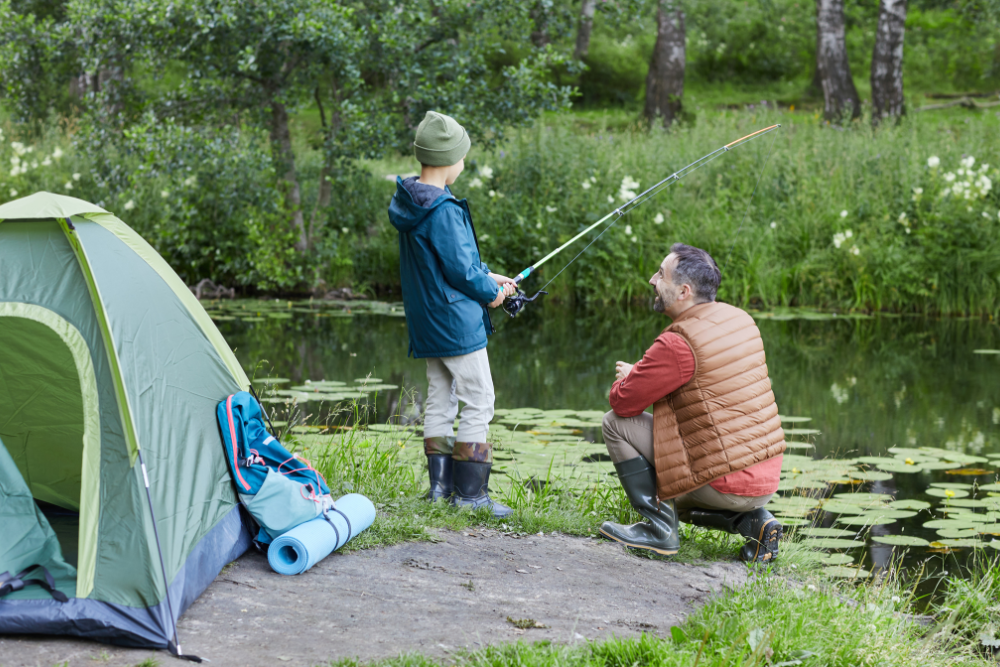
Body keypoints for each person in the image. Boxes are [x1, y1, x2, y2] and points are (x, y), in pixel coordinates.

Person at [599, 243, 785, 562]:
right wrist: (644, 374)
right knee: (680, 490)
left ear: (683, 291)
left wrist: (629, 378)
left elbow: (624, 403)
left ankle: (659, 530)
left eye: (661, 274)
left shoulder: (679, 342)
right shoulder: (740, 319)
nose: (652, 280)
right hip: (764, 479)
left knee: (614, 424)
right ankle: (757, 522)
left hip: (726, 483)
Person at [387, 110, 517, 518]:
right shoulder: (442, 209)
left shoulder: (413, 202)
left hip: (428, 323)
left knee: (441, 399)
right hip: (455, 324)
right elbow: (460, 271)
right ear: (448, 160)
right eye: (462, 157)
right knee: (480, 400)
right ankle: (471, 497)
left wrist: (489, 275)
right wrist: (491, 295)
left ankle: (440, 491)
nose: (463, 164)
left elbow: (445, 264)